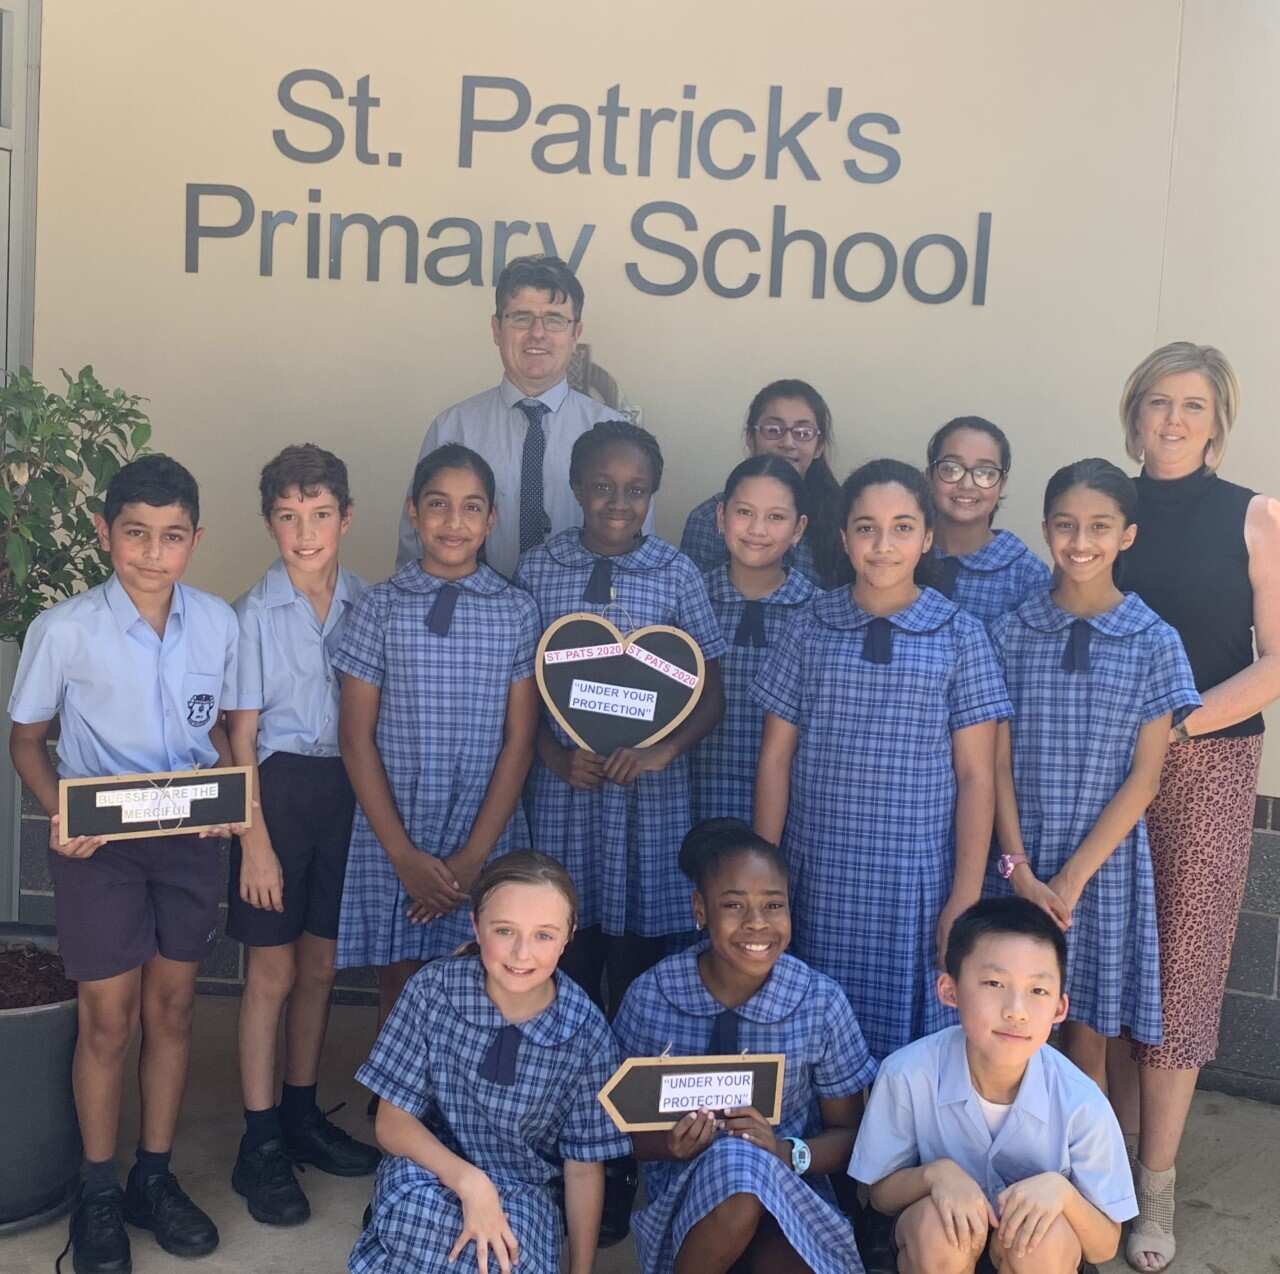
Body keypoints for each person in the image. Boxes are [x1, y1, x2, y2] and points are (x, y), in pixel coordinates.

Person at [8, 455, 239, 1271]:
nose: (153, 553)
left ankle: (153, 1176)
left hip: (189, 844)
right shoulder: (64, 629)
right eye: (136, 533)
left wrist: (227, 788)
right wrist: (57, 810)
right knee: (109, 1019)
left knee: (173, 1010)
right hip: (99, 848)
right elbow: (27, 741)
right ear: (106, 532)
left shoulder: (218, 623)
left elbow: (220, 730)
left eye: (172, 536)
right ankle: (98, 1187)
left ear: (195, 540)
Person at [1105, 343, 1280, 1272]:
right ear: (1134, 413)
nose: (1173, 420)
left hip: (1206, 764)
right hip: (1101, 764)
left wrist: (1178, 723)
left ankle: (1158, 1187)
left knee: (1182, 972)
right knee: (1108, 965)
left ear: (1218, 423)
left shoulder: (1256, 516)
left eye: (1193, 405)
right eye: (1158, 402)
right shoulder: (1105, 508)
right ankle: (1106, 1168)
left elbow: (1276, 661)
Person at [753, 459, 1011, 1062]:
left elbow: (976, 776)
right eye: (867, 528)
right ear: (844, 539)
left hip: (915, 882)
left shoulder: (960, 635)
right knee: (811, 1026)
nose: (883, 544)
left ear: (927, 538)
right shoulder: (808, 627)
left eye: (902, 527)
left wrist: (964, 895)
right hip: (816, 873)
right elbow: (775, 759)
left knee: (905, 1044)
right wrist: (763, 881)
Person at [989, 459, 1199, 1089]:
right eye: (1065, 524)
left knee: (1086, 1046)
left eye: (1100, 526)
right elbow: (996, 762)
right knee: (1003, 1029)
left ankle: (1083, 1157)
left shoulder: (1154, 641)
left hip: (1101, 871)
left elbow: (1145, 778)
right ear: (1045, 529)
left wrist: (1070, 881)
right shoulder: (1009, 633)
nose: (1081, 542)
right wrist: (1020, 870)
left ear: (1126, 535)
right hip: (1017, 863)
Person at [515, 421, 726, 1015]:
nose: (619, 502)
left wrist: (661, 753)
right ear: (576, 487)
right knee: (565, 949)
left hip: (648, 802)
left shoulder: (676, 573)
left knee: (640, 959)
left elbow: (711, 693)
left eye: (636, 489)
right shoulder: (538, 568)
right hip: (566, 796)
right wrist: (554, 756)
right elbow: (519, 688)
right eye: (603, 486)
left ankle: (631, 1064)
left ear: (653, 493)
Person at [336, 445, 540, 1035]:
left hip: (484, 825)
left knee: (487, 976)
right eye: (438, 505)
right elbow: (356, 738)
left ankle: (469, 1092)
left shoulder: (516, 611)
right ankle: (399, 1088)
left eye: (471, 507)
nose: (454, 522)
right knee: (400, 981)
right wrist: (403, 857)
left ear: (492, 518)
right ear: (413, 511)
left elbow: (520, 741)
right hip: (396, 827)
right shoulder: (379, 607)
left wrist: (474, 858)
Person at [226, 444, 380, 1226]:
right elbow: (239, 739)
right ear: (269, 524)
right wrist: (253, 843)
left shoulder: (369, 603)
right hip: (276, 794)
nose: (305, 532)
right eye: (288, 517)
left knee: (320, 965)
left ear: (346, 519)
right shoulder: (251, 615)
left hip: (345, 791)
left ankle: (299, 1111)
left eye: (320, 515)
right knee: (272, 972)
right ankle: (258, 1141)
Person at [348, 850, 632, 1274]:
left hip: (526, 1191)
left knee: (505, 1260)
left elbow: (583, 1169)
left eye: (543, 935)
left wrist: (580, 1270)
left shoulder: (586, 1032)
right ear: (476, 927)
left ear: (569, 936)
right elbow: (392, 1124)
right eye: (504, 930)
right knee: (418, 1223)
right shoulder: (432, 991)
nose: (521, 953)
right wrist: (471, 1183)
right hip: (430, 1170)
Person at [614, 819, 877, 1274]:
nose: (757, 923)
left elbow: (850, 1135)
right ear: (700, 909)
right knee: (736, 1166)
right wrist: (669, 1145)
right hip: (682, 1199)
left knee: (755, 1187)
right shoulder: (653, 996)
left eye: (773, 905)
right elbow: (613, 1130)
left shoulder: (818, 1001)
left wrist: (783, 1150)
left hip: (791, 1193)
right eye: (733, 905)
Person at [849, 897, 1135, 1274]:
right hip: (934, 1244)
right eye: (994, 983)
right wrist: (934, 1175)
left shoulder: (1081, 1101)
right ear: (949, 990)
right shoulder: (907, 1073)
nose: (1016, 1010)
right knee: (939, 1234)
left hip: (1035, 1256)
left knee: (1043, 1244)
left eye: (1038, 990)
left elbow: (1104, 1245)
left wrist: (1063, 1193)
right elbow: (879, 1194)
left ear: (1059, 1008)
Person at [395, 254, 645, 578]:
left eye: (554, 319)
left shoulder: (615, 436)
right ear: (496, 329)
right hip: (473, 609)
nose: (537, 333)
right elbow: (415, 552)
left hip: (583, 608)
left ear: (576, 333)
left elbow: (638, 553)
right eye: (521, 318)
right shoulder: (453, 429)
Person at [691, 457, 817, 824]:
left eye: (776, 517)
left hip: (789, 812)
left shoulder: (819, 615)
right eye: (744, 512)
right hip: (691, 800)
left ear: (798, 528)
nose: (757, 529)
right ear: (721, 517)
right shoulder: (687, 601)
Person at [680, 379, 846, 587]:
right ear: (750, 438)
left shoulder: (842, 517)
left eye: (803, 433)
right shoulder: (707, 519)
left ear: (819, 446)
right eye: (774, 430)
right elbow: (690, 597)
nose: (788, 443)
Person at [924, 417, 1051, 625]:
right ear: (930, 475)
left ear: (1002, 484)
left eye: (985, 473)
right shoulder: (901, 555)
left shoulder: (1027, 575)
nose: (966, 484)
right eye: (951, 469)